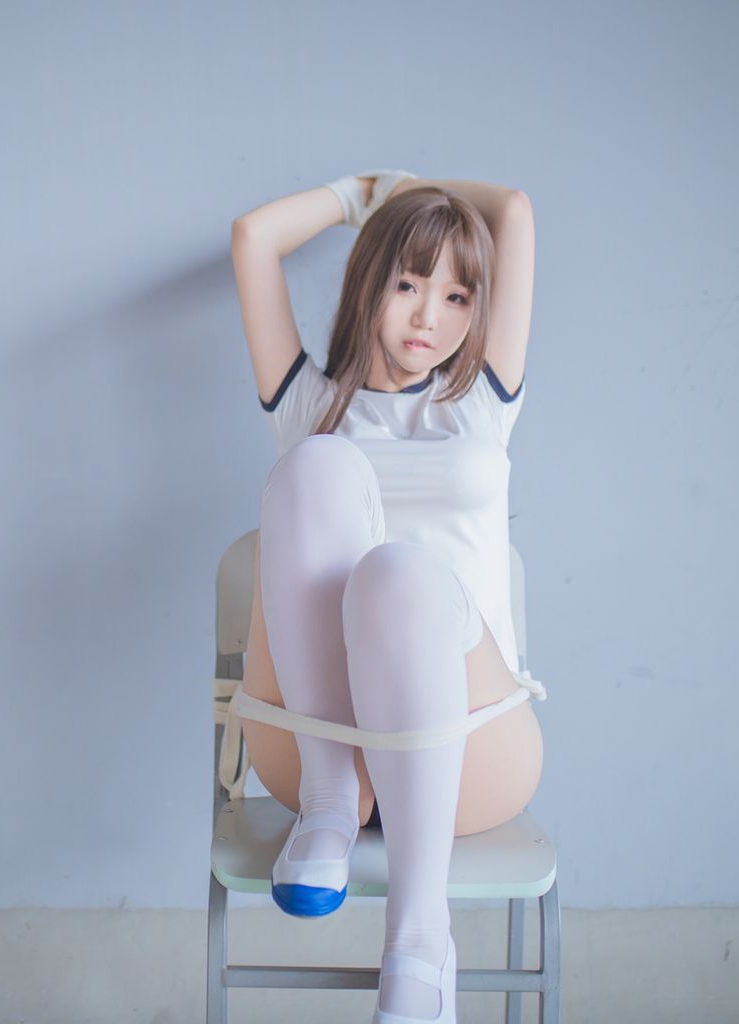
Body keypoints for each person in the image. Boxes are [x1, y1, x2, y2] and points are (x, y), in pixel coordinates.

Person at [227, 169, 548, 1024]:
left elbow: (512, 211)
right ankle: (331, 807)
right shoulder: (308, 403)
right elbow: (254, 238)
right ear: (370, 280)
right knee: (315, 464)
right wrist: (358, 194)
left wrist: (417, 188)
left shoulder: (480, 403)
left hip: (473, 749)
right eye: (408, 284)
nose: (428, 317)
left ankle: (420, 940)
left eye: (456, 297)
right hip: (318, 751)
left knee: (395, 573)